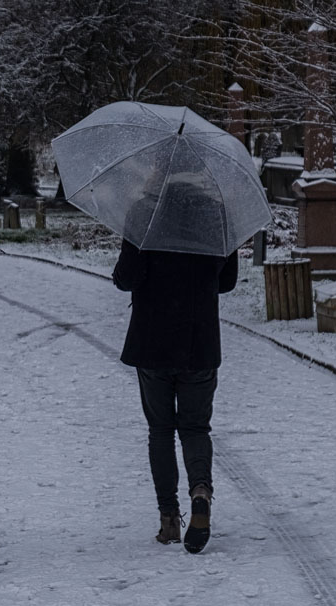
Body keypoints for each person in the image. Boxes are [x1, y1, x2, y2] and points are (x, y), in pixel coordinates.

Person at [112, 188, 238, 555]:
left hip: (153, 341)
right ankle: (201, 491)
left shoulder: (144, 209)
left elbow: (129, 276)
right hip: (199, 341)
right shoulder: (217, 213)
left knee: (161, 430)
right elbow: (226, 281)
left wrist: (121, 273)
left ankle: (169, 519)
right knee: (196, 427)